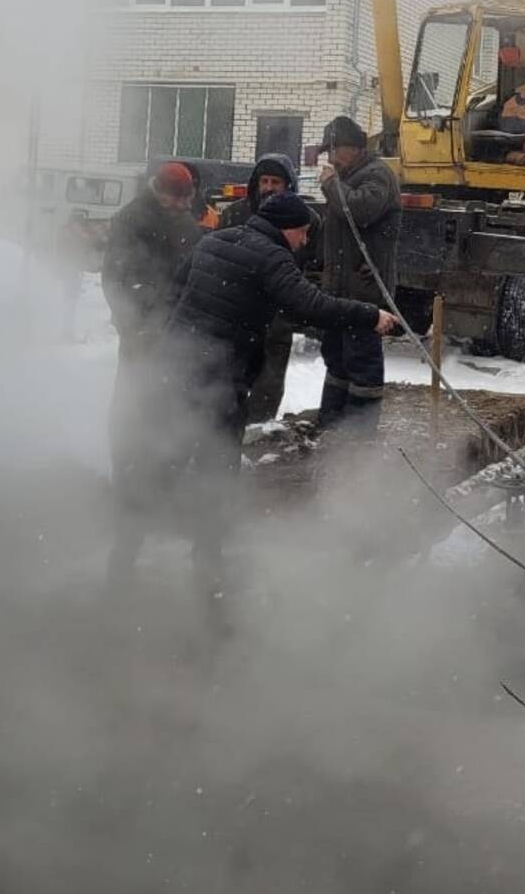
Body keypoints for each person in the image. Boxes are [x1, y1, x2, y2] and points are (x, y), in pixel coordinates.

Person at [107, 190, 397, 606]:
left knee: (162, 460)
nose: (303, 243)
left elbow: (174, 291)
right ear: (289, 227)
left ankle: (125, 554)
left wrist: (172, 342)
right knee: (217, 468)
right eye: (302, 234)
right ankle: (209, 569)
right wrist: (369, 316)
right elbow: (309, 305)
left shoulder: (215, 240)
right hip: (219, 380)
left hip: (177, 370)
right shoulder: (271, 256)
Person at [102, 162, 202, 574]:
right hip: (142, 331)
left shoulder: (186, 222)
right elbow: (117, 278)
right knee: (133, 409)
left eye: (182, 199)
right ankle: (128, 489)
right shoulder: (131, 220)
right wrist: (134, 324)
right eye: (170, 196)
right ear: (157, 190)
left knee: (168, 412)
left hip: (175, 331)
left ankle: (159, 488)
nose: (176, 204)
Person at [217, 154, 319, 421]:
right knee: (230, 378)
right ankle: (226, 428)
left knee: (270, 379)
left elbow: (317, 262)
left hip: (278, 315)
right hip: (237, 313)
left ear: (289, 185)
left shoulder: (306, 220)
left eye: (276, 181)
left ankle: (258, 428)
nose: (269, 187)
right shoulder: (235, 214)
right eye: (264, 181)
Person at [316, 115, 401, 436]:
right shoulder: (349, 177)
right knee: (336, 356)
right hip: (340, 290)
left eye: (333, 151)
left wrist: (330, 185)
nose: (329, 159)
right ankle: (331, 425)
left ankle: (358, 439)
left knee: (362, 359)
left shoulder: (377, 175)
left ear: (350, 148)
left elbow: (359, 211)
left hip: (365, 290)